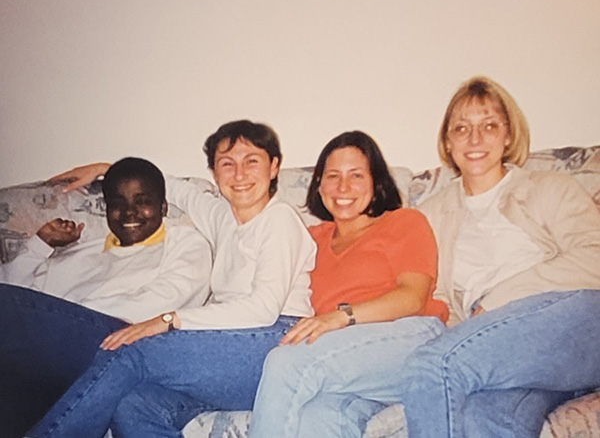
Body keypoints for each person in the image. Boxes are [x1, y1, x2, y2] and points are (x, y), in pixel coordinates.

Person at [252, 77, 600, 438]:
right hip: (498, 355)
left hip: (564, 322)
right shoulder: (434, 212)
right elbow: (441, 297)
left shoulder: (549, 188)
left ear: (509, 135)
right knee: (482, 420)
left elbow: (594, 257)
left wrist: (497, 300)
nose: (475, 139)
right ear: (447, 142)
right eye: (461, 129)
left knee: (433, 365)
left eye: (489, 126)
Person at [26, 120, 316, 438]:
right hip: (231, 356)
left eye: (252, 161)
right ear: (214, 174)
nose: (239, 174)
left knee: (132, 350)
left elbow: (263, 308)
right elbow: (171, 187)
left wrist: (169, 320)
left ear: (274, 167)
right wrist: (106, 168)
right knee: (135, 406)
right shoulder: (222, 216)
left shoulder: (279, 219)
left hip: (275, 345)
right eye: (226, 164)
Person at [248, 131, 448, 438]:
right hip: (346, 362)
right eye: (332, 176)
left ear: (375, 181)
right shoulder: (310, 239)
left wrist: (341, 316)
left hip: (411, 341)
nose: (343, 187)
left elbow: (412, 297)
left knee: (286, 363)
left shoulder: (404, 222)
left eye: (356, 176)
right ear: (319, 184)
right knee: (317, 418)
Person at [0, 157, 211, 438]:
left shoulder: (183, 242)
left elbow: (167, 300)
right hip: (55, 356)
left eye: (142, 201)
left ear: (163, 207)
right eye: (117, 203)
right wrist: (40, 245)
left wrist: (70, 317)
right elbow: (15, 294)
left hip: (123, 340)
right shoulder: (77, 249)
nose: (129, 212)